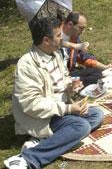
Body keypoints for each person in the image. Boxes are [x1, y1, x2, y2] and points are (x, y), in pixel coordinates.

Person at [3, 17, 104, 169]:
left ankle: (44, 140)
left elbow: (61, 80)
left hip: (60, 109)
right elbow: (31, 105)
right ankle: (28, 158)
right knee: (81, 127)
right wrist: (68, 109)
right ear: (46, 41)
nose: (62, 38)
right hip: (41, 116)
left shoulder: (55, 54)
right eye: (58, 36)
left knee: (97, 114)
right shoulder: (27, 65)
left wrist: (70, 86)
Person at [61, 11, 109, 85]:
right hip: (56, 75)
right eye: (81, 28)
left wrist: (106, 67)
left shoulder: (74, 37)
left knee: (100, 73)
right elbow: (56, 42)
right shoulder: (55, 34)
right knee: (97, 76)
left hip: (68, 73)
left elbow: (84, 57)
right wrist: (75, 46)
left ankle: (75, 83)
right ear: (70, 25)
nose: (83, 32)